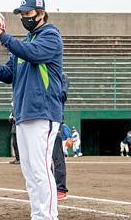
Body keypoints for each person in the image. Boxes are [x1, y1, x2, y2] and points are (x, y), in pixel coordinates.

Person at [0, 0, 63, 220]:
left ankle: (48, 216)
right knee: (29, 172)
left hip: (43, 111)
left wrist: (1, 35)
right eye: (22, 14)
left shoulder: (50, 35)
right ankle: (38, 215)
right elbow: (9, 75)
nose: (24, 17)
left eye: (28, 14)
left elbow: (33, 54)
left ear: (41, 14)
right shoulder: (23, 44)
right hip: (24, 112)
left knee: (41, 169)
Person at [52, 73, 70, 201]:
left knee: (57, 158)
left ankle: (60, 189)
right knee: (42, 159)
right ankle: (49, 187)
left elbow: (62, 96)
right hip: (40, 120)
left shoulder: (62, 77)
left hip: (55, 121)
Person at [9, 100, 19, 164]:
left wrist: (14, 119)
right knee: (14, 144)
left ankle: (20, 159)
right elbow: (10, 119)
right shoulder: (13, 111)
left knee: (18, 145)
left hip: (18, 129)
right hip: (14, 129)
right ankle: (17, 158)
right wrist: (11, 119)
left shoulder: (18, 109)